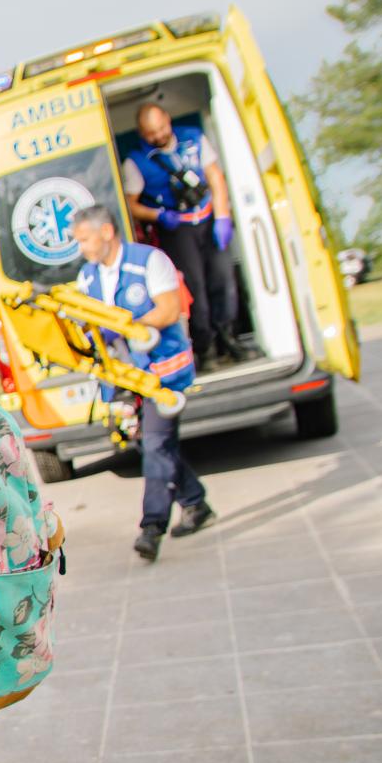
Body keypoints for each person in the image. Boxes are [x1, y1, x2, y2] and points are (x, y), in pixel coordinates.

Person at [71, 204, 216, 561]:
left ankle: (151, 527)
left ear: (106, 232)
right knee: (145, 441)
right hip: (124, 375)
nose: (82, 248)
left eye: (85, 239)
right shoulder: (87, 278)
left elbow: (168, 310)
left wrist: (123, 326)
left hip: (162, 372)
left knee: (155, 442)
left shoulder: (149, 261)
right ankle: (196, 503)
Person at [122, 103, 249, 366]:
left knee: (223, 280)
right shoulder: (136, 162)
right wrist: (159, 216)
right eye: (151, 133)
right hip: (175, 227)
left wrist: (223, 216)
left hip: (207, 219)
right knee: (195, 288)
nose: (158, 136)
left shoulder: (193, 139)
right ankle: (206, 347)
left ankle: (228, 336)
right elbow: (131, 204)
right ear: (141, 133)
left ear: (168, 119)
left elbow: (216, 178)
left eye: (161, 128)